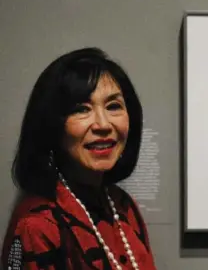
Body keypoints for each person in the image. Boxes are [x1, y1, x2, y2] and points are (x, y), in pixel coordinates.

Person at [1, 48, 157, 269]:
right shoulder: (38, 225)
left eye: (113, 106)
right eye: (82, 109)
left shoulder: (122, 205)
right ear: (52, 124)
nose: (103, 124)